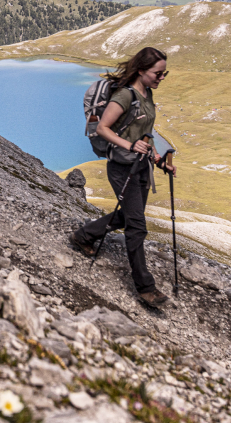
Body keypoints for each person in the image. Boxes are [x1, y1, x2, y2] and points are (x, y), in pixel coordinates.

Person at [69, 46, 176, 308]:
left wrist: (160, 161)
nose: (161, 78)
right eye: (157, 73)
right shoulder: (124, 96)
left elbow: (145, 136)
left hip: (140, 166)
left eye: (164, 74)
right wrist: (129, 146)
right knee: (137, 226)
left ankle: (84, 235)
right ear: (141, 70)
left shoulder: (147, 95)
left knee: (128, 215)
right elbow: (104, 128)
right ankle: (145, 288)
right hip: (121, 167)